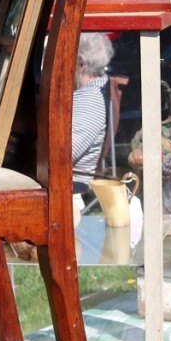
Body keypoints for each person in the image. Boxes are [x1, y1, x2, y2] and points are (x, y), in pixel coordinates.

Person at [72, 31, 112, 224]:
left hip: (72, 196)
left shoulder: (90, 99)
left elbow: (63, 154)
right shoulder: (93, 90)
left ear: (81, 64)